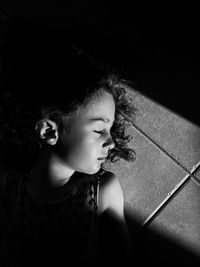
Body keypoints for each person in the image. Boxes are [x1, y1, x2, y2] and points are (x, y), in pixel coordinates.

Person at [0, 26, 137, 266]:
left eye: (110, 128)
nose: (112, 141)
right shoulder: (7, 181)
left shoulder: (103, 191)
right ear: (49, 130)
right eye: (98, 130)